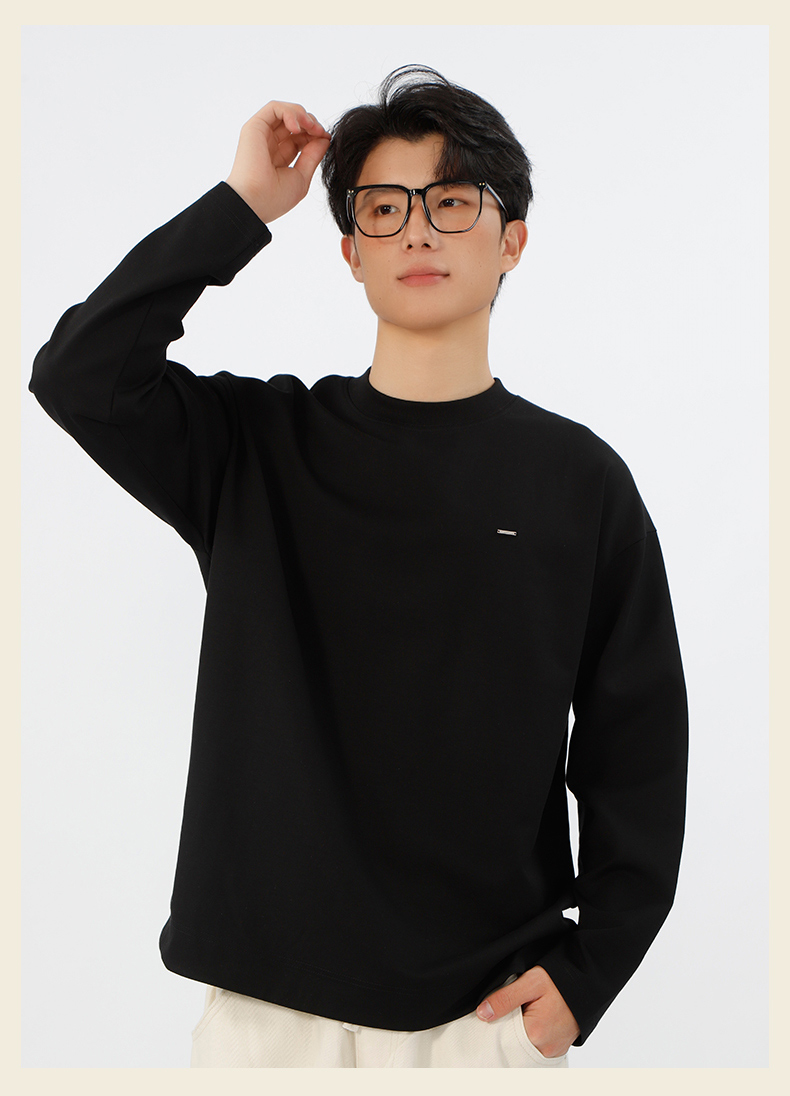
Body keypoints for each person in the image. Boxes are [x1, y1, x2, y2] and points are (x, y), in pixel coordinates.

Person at [29, 65, 688, 1068]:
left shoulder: (578, 481)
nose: (416, 231)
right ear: (350, 251)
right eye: (384, 209)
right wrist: (243, 204)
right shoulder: (255, 447)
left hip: (479, 1021)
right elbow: (79, 376)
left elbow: (635, 747)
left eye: (450, 201)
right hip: (264, 1022)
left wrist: (592, 970)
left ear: (512, 239)